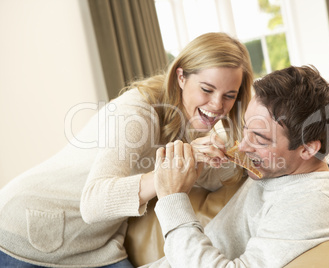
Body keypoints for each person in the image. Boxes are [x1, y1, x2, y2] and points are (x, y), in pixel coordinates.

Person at [0, 32, 253, 267]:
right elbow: (94, 202)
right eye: (207, 89)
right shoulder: (138, 112)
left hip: (97, 246)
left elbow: (212, 179)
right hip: (29, 231)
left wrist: (244, 156)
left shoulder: (192, 125)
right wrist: (171, 170)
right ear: (181, 77)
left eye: (229, 95)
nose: (218, 105)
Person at [147, 65, 329, 268]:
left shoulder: (310, 205)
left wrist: (172, 200)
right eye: (245, 129)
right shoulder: (282, 167)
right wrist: (197, 157)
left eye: (260, 139)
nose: (243, 146)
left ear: (307, 149)